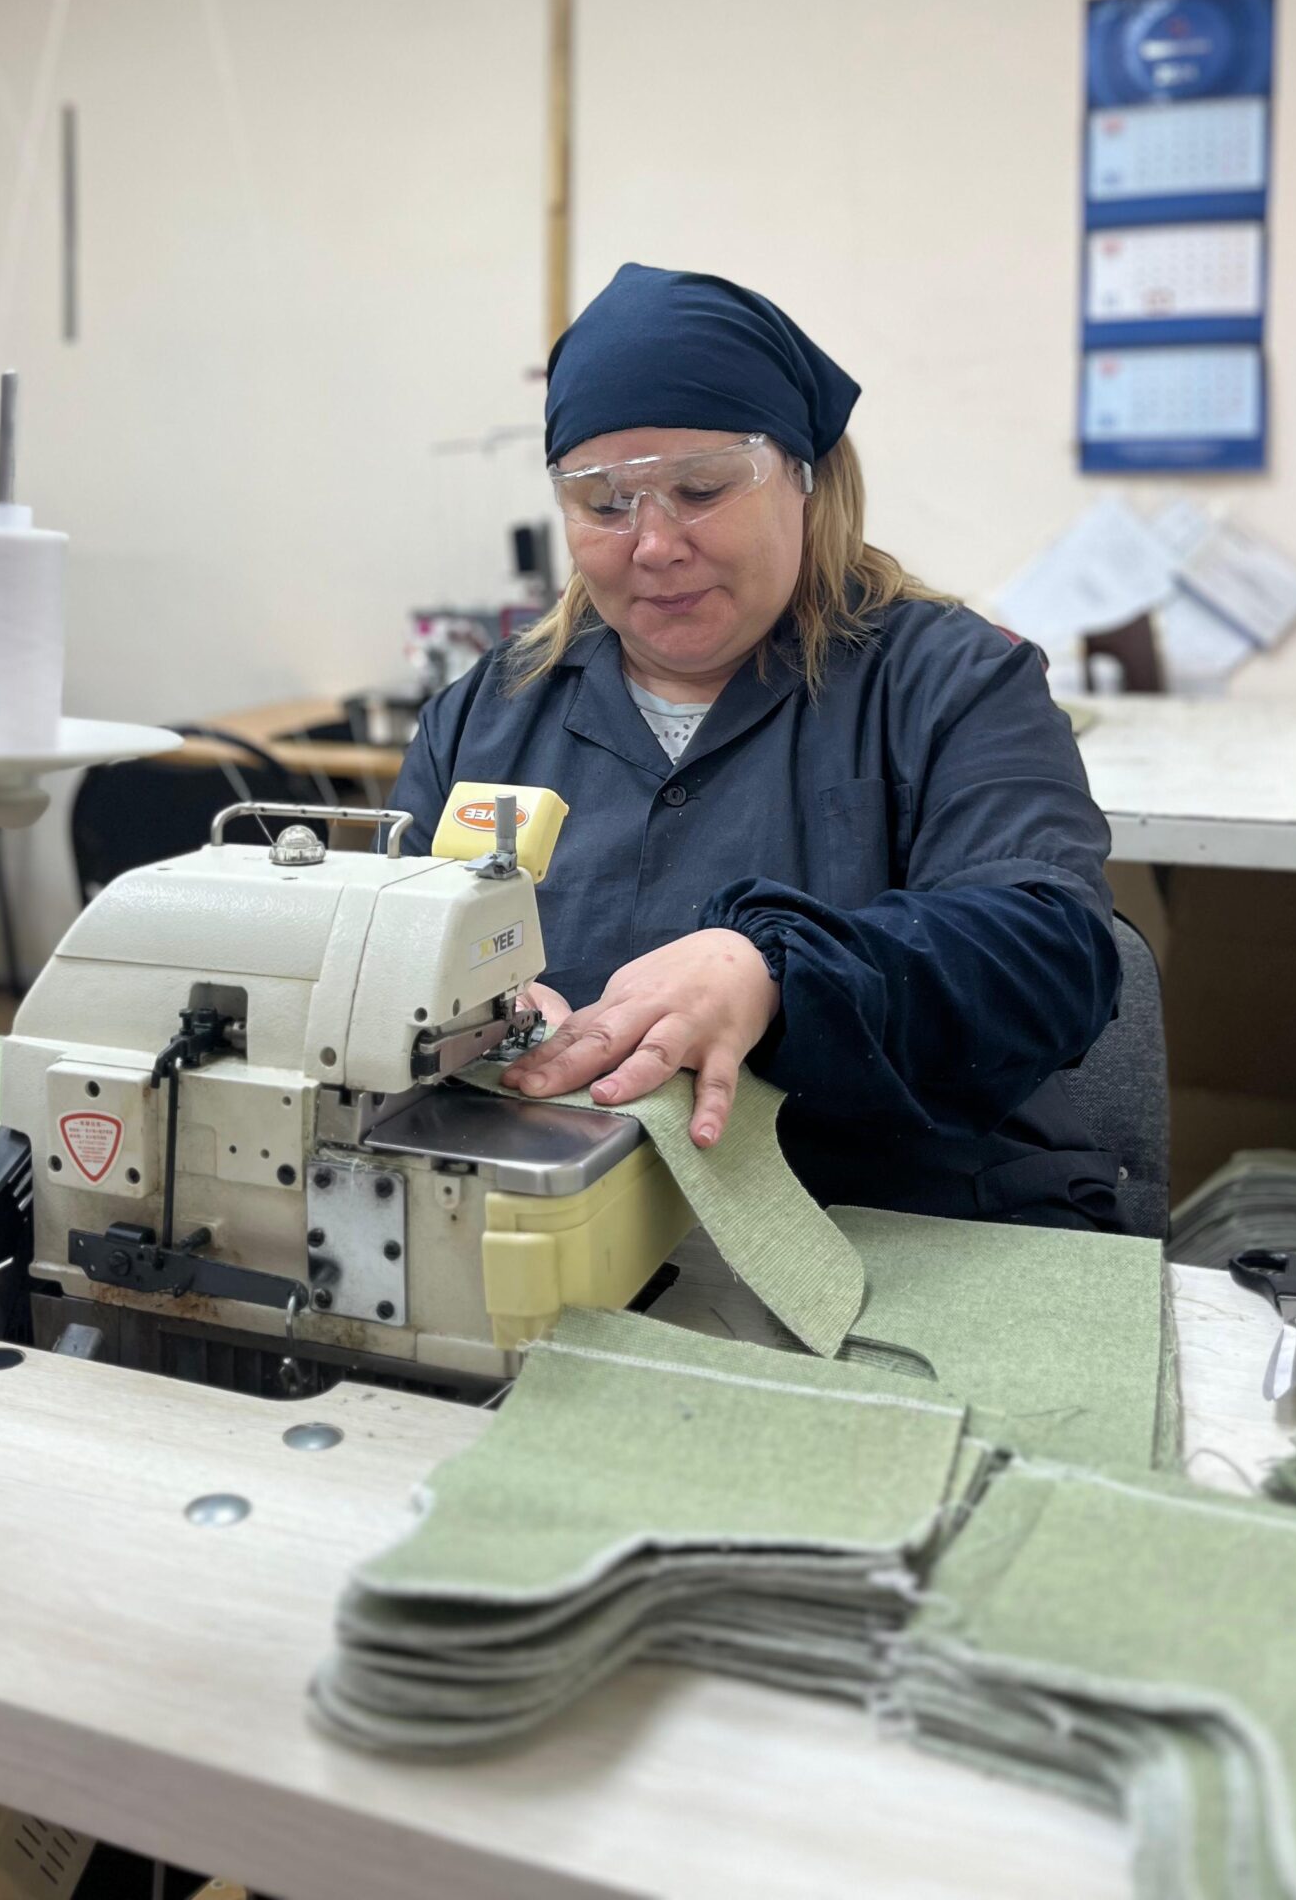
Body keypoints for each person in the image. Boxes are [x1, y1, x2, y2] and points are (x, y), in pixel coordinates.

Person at [387, 263, 1123, 1230]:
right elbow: (378, 947)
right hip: (568, 1226)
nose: (653, 544)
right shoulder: (487, 715)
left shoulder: (949, 683)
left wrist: (775, 972)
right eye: (604, 504)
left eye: (699, 489)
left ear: (805, 478)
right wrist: (476, 1004)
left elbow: (1053, 955)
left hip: (901, 1215)